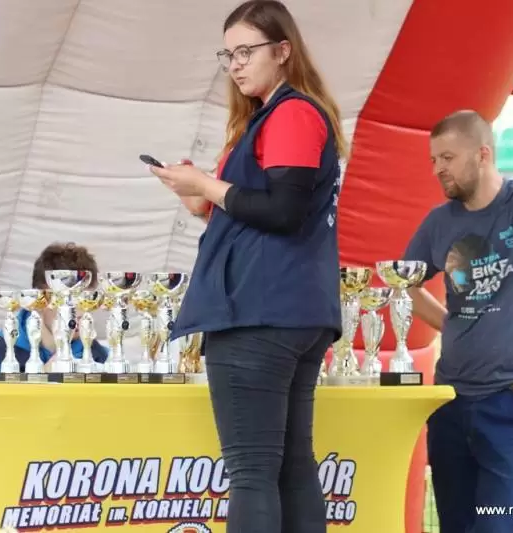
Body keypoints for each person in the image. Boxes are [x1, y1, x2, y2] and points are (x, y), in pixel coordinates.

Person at [148, 2, 345, 532]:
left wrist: (207, 185)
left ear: (282, 51)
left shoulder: (292, 113)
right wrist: (200, 198)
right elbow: (269, 208)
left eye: (245, 51)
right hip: (296, 308)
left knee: (254, 471)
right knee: (290, 466)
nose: (235, 64)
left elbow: (283, 211)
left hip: (260, 311)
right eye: (228, 54)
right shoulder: (276, 116)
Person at [402, 110, 513, 532]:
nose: (438, 169)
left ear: (483, 154)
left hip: (512, 399)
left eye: (447, 157)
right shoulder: (438, 222)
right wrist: (451, 324)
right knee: (455, 526)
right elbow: (404, 285)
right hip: (451, 399)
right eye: (434, 160)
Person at [0, 242, 109, 382]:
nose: (79, 312)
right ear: (39, 299)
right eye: (65, 299)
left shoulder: (103, 358)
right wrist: (42, 379)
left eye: (85, 299)